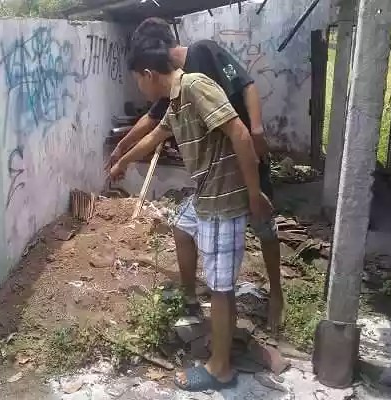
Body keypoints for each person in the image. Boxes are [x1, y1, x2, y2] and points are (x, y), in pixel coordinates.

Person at [109, 35, 273, 392]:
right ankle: (189, 297)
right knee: (182, 227)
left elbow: (240, 133)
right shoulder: (176, 100)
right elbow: (154, 136)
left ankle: (220, 368)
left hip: (223, 200)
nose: (139, 87)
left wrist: (254, 193)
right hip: (205, 196)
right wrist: (123, 161)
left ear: (149, 74)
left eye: (137, 79)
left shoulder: (196, 86)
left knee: (221, 288)